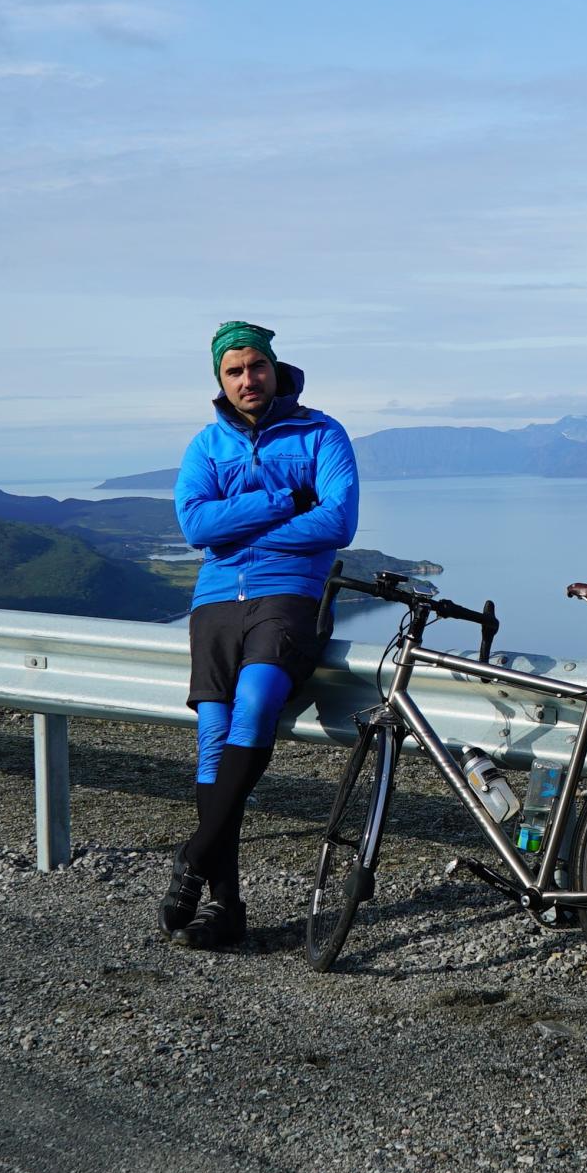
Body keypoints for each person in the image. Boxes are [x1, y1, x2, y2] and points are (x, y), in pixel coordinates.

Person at [162, 321, 358, 947]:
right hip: (216, 603)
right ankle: (227, 909)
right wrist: (283, 502)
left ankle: (191, 858)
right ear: (220, 379)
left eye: (257, 367)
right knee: (212, 737)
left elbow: (339, 520)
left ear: (276, 368)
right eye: (234, 371)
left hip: (287, 598)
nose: (249, 379)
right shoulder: (205, 445)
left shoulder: (322, 433)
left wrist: (242, 536)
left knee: (253, 706)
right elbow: (195, 524)